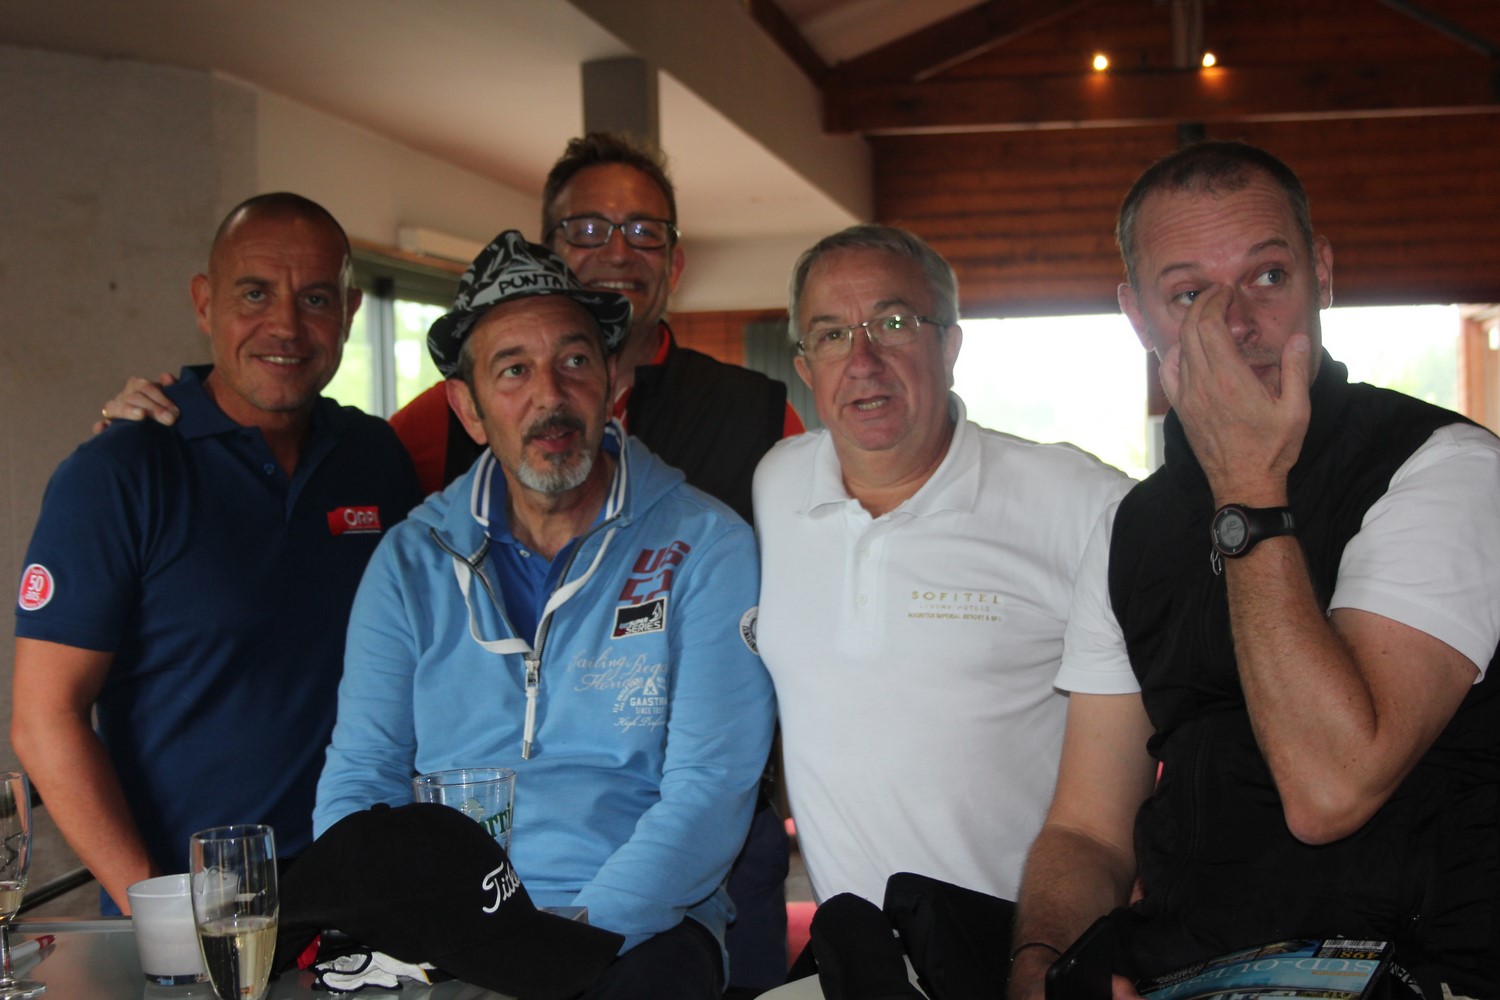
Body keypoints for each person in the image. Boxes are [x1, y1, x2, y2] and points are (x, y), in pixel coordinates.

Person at [1007, 141, 1500, 1000]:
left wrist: (1246, 486)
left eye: (1268, 277)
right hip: (1191, 965)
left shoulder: (1445, 468)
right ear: (1137, 317)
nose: (1235, 324)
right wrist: (1038, 968)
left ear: (1322, 276)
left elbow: (1330, 791)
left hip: (1408, 968)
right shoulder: (1133, 527)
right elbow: (1088, 829)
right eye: (1189, 294)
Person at [312, 231, 776, 1000]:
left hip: (640, 924)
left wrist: (566, 941)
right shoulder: (409, 562)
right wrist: (386, 922)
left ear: (610, 381)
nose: (550, 396)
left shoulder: (707, 546)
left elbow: (709, 789)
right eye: (513, 370)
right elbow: (361, 777)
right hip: (442, 927)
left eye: (575, 360)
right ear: (468, 408)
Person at [12, 193, 422, 913]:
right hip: (192, 907)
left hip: (363, 891)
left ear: (350, 311)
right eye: (254, 293)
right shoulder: (118, 472)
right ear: (205, 303)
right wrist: (158, 908)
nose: (285, 326)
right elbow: (44, 720)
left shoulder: (376, 457)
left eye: (315, 298)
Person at [754, 225, 1132, 912]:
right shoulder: (776, 485)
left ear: (950, 345)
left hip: (1025, 939)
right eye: (832, 335)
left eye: (893, 324)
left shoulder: (1080, 503)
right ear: (806, 369)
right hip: (852, 952)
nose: (862, 360)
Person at [388, 131, 803, 517]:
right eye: (588, 230)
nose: (618, 253)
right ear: (548, 257)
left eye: (644, 231)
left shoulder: (756, 415)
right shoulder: (450, 416)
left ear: (674, 266)